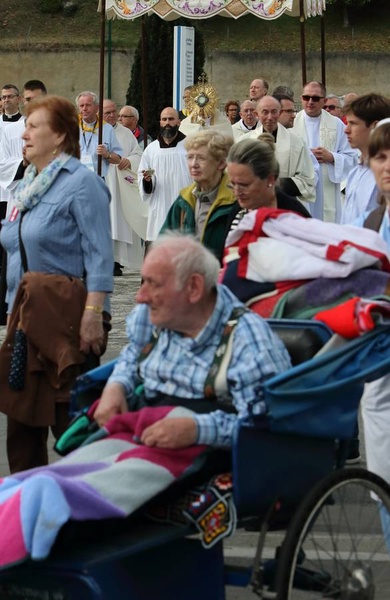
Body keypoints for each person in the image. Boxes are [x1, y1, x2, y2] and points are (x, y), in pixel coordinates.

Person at [0, 95, 114, 473]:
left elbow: (99, 254)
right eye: (25, 125)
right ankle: (28, 518)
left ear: (61, 135)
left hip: (68, 320)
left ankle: (89, 517)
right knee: (21, 428)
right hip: (25, 322)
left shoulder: (82, 183)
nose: (25, 133)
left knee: (71, 429)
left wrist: (93, 314)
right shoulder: (25, 187)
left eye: (34, 126)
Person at [94, 233, 291, 448]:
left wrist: (198, 429)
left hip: (205, 458)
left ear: (194, 288)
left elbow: (266, 425)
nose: (140, 296)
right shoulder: (149, 315)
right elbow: (133, 354)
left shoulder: (249, 342)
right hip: (143, 433)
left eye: (153, 283)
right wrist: (116, 386)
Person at [356, 120, 390, 489]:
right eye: (380, 156)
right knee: (383, 483)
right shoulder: (374, 222)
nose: (388, 165)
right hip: (380, 361)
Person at [161, 130, 235, 264]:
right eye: (190, 157)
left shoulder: (235, 201)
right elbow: (164, 245)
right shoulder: (183, 200)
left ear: (221, 164)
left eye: (201, 158)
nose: (193, 164)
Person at [293, 81, 358, 222]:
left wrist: (332, 157)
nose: (310, 102)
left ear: (324, 101)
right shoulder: (292, 123)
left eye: (315, 98)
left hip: (326, 186)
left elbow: (353, 157)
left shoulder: (336, 124)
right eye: (306, 97)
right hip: (301, 186)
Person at [225, 136, 311, 234]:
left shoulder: (294, 216)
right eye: (232, 184)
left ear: (270, 179)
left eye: (244, 185)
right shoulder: (237, 212)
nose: (236, 192)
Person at [138, 107, 192, 245]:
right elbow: (142, 176)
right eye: (164, 119)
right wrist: (147, 181)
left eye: (171, 119)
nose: (167, 122)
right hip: (159, 205)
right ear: (160, 122)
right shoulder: (151, 149)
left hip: (183, 204)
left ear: (179, 122)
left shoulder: (190, 146)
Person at [102, 99, 143, 275]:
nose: (112, 116)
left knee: (117, 220)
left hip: (119, 184)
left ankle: (116, 260)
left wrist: (129, 160)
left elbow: (138, 154)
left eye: (114, 112)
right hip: (101, 180)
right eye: (108, 112)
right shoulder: (95, 131)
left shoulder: (125, 133)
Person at [249, 96, 316, 204]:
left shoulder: (296, 142)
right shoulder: (246, 142)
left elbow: (307, 180)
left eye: (274, 112)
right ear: (257, 114)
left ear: (280, 113)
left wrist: (278, 184)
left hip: (285, 203)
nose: (270, 117)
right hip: (254, 202)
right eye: (265, 112)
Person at [341, 93, 390, 224]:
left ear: (375, 126)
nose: (346, 130)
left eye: (353, 123)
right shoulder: (354, 174)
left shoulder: (384, 174)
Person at [76, 91, 122, 178]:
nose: (84, 109)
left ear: (97, 108)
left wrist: (107, 154)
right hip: (76, 178)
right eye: (81, 106)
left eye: (88, 105)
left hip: (98, 178)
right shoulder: (71, 126)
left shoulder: (107, 129)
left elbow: (118, 159)